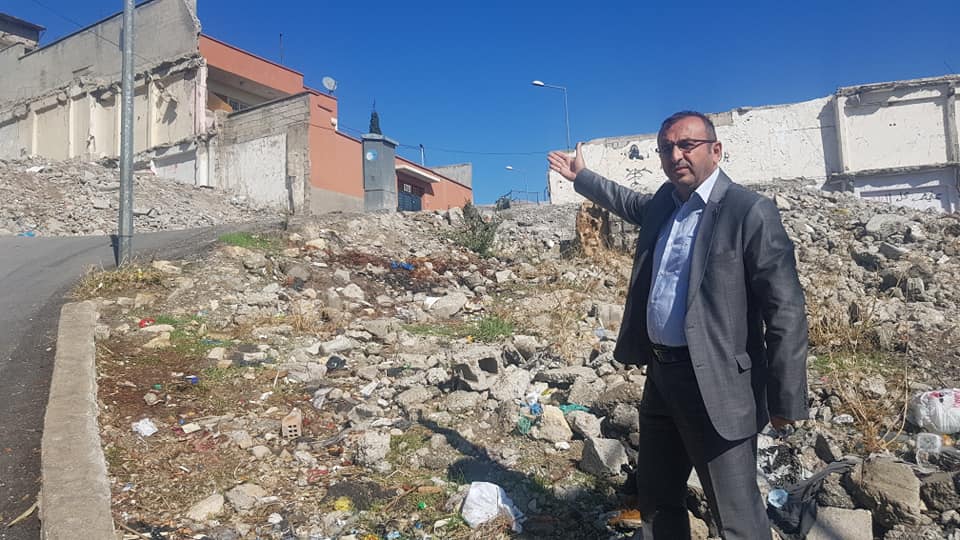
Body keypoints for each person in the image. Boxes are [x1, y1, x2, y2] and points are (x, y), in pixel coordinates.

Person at [548, 111, 809, 539]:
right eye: (666, 148)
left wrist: (785, 397)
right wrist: (583, 177)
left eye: (687, 145)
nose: (675, 156)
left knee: (737, 518)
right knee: (657, 501)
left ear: (715, 150)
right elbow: (627, 201)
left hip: (719, 386)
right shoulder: (664, 206)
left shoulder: (749, 211)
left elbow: (786, 309)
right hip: (661, 377)